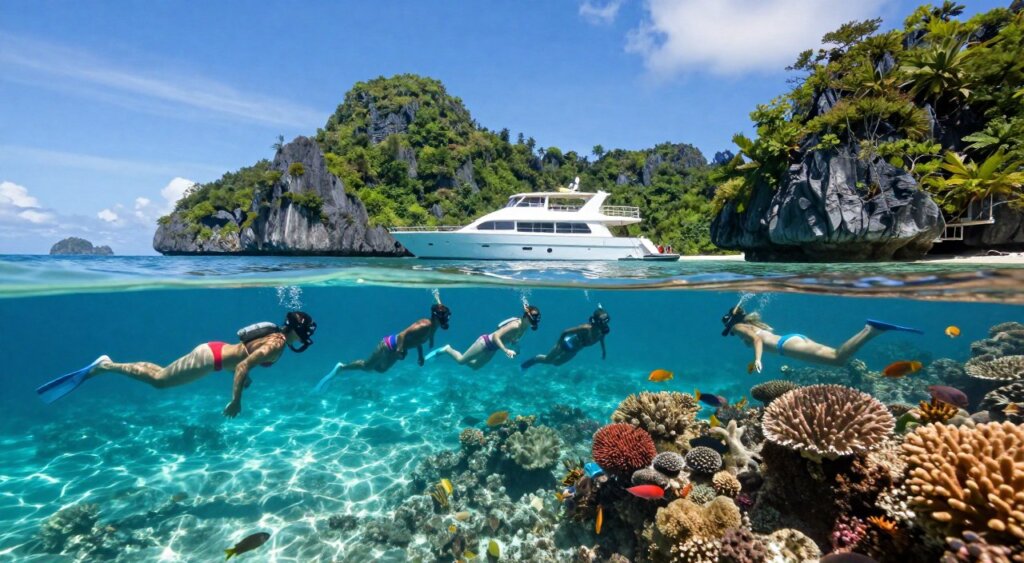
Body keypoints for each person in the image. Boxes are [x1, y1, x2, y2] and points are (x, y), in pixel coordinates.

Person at [36, 312, 318, 418]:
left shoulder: (276, 337)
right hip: (211, 358)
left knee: (161, 376)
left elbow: (243, 359)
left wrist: (244, 376)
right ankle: (107, 365)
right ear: (298, 330)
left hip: (216, 353)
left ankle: (108, 365)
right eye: (307, 331)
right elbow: (243, 365)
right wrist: (236, 401)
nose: (308, 337)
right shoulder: (277, 344)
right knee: (160, 380)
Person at [720, 304, 922, 371]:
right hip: (791, 340)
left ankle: (871, 330)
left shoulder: (738, 327)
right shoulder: (749, 323)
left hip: (786, 346)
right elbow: (762, 334)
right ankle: (872, 330)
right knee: (839, 360)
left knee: (837, 358)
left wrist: (757, 359)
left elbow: (757, 339)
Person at [316, 302, 451, 391]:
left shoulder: (434, 327)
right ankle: (342, 367)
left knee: (381, 370)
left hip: (395, 351)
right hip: (387, 345)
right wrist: (399, 350)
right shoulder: (424, 325)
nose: (446, 319)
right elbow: (403, 334)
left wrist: (421, 356)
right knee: (367, 366)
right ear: (437, 317)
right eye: (444, 317)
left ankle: (370, 363)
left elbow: (418, 341)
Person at [428, 304, 541, 370]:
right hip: (485, 343)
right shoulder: (515, 325)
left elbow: (511, 339)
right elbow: (496, 335)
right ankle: (447, 349)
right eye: (532, 320)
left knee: (475, 367)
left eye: (534, 322)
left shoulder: (525, 328)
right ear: (526, 317)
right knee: (461, 361)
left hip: (492, 349)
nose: (533, 323)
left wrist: (515, 348)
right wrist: (506, 350)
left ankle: (451, 351)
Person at [521, 307, 610, 371]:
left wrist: (603, 351)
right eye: (603, 322)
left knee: (556, 363)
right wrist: (559, 344)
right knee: (547, 360)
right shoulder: (586, 328)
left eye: (606, 321)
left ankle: (541, 359)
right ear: (597, 321)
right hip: (565, 344)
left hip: (574, 350)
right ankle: (532, 361)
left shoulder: (602, 332)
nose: (605, 324)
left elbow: (602, 340)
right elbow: (565, 332)